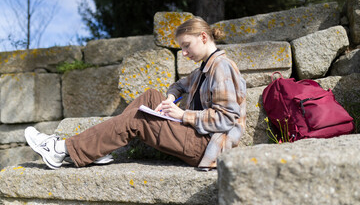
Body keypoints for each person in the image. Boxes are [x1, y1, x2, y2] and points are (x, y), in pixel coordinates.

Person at [24, 17, 246, 170]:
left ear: (204, 37)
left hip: (207, 147)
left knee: (138, 120)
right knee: (150, 95)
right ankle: (94, 149)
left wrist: (181, 115)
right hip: (196, 136)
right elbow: (178, 85)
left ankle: (61, 149)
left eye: (187, 46)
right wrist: (170, 98)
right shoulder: (202, 70)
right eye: (182, 48)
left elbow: (226, 119)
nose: (184, 53)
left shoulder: (222, 67)